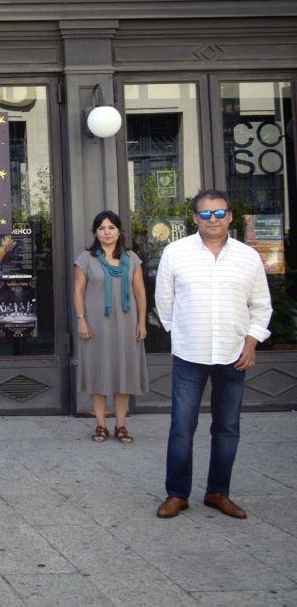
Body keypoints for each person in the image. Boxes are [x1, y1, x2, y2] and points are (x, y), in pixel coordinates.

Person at [155, 189, 272, 520]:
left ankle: (218, 492)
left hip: (234, 354)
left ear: (230, 217)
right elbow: (164, 301)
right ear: (195, 218)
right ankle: (177, 494)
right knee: (181, 426)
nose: (213, 220)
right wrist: (180, 333)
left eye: (219, 213)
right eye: (205, 214)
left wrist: (251, 343)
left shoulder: (248, 256)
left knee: (227, 427)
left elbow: (262, 305)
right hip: (190, 355)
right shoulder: (175, 253)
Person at [73, 210, 148, 444]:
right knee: (99, 372)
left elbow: (139, 291)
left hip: (126, 325)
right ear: (95, 232)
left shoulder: (132, 258)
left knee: (122, 373)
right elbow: (78, 291)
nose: (107, 232)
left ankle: (122, 424)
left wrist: (142, 322)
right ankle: (100, 424)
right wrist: (81, 319)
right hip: (96, 325)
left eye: (111, 227)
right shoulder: (86, 259)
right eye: (102, 228)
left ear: (119, 231)